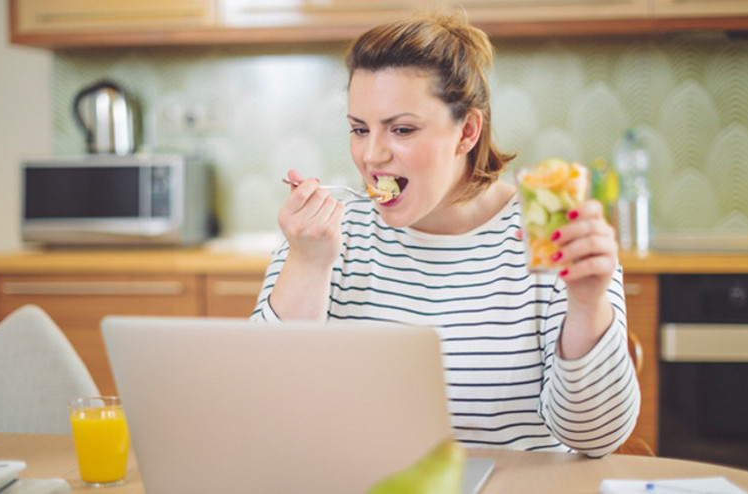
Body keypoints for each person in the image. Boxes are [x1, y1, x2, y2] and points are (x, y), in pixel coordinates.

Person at [250, 11, 639, 457]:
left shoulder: (547, 235)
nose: (371, 155)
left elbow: (596, 439)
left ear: (467, 132)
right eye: (359, 129)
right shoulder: (321, 238)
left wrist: (588, 305)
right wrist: (307, 266)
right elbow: (267, 416)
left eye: (402, 129)